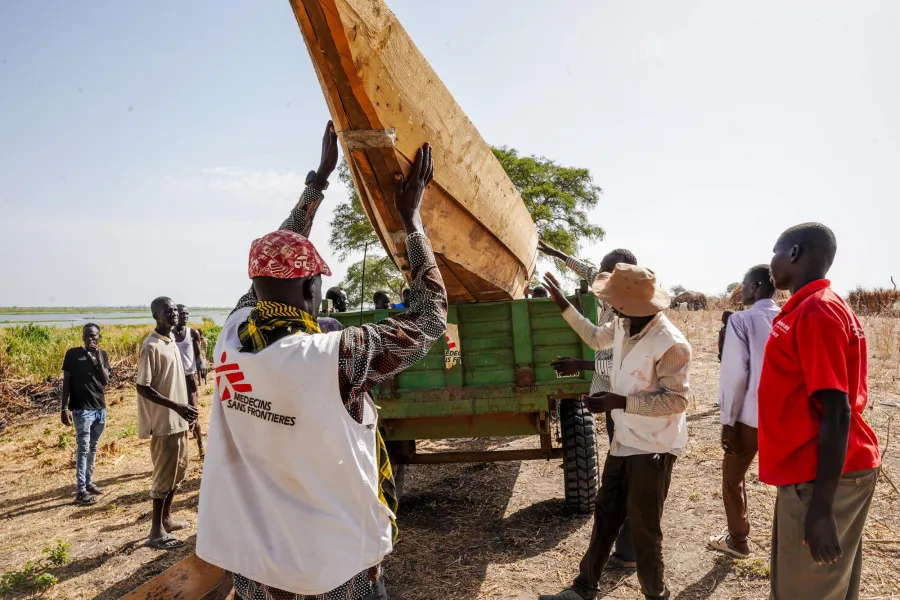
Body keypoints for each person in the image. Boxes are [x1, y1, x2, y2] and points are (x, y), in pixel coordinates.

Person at [196, 125, 447, 600]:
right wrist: (412, 221)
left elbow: (275, 259)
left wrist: (319, 181)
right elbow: (431, 318)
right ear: (313, 290)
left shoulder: (232, 335)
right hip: (332, 567)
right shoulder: (332, 358)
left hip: (255, 566)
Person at [539, 264, 690, 600]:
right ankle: (584, 588)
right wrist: (563, 303)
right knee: (606, 515)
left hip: (653, 448)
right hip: (625, 441)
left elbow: (677, 401)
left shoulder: (671, 344)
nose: (610, 305)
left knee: (644, 529)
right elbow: (595, 338)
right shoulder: (624, 323)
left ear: (629, 304)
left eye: (613, 300)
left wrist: (619, 400)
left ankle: (656, 594)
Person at [759, 223, 880, 600]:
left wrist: (823, 508)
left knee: (807, 590)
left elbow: (837, 411)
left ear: (794, 253)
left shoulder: (816, 312)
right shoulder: (807, 309)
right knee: (822, 585)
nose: (771, 263)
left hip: (824, 477)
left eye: (775, 252)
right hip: (811, 472)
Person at [541, 243, 640, 569]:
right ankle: (628, 550)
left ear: (621, 276)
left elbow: (618, 363)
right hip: (616, 401)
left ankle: (629, 553)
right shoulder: (617, 301)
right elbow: (599, 338)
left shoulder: (631, 314)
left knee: (626, 476)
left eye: (606, 272)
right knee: (625, 474)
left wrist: (580, 365)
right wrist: (558, 255)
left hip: (624, 401)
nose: (599, 277)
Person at [707, 265, 779, 559]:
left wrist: (727, 422)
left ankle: (739, 540)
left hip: (749, 418)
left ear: (757, 286)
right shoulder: (788, 316)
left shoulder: (742, 320)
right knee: (789, 483)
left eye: (746, 285)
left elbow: (735, 375)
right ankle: (788, 544)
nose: (742, 291)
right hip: (783, 417)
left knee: (733, 477)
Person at [135, 296, 199, 550]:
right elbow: (143, 387)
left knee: (178, 471)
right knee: (163, 476)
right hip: (164, 423)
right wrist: (176, 406)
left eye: (174, 309)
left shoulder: (171, 340)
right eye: (166, 310)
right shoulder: (151, 345)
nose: (172, 313)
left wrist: (186, 410)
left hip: (180, 421)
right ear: (156, 316)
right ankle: (155, 532)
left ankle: (167, 520)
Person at [61, 323, 111, 506]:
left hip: (100, 409)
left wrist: (97, 359)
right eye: (88, 335)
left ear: (99, 337)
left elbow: (105, 381)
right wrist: (64, 408)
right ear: (83, 337)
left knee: (93, 447)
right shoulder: (73, 354)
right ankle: (80, 490)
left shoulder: (102, 355)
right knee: (83, 449)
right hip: (81, 410)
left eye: (95, 336)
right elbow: (66, 381)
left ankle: (89, 483)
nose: (92, 338)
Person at [174, 304, 206, 427]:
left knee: (193, 408)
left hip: (189, 376)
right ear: (176, 315)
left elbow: (198, 354)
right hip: (175, 378)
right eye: (182, 314)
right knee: (178, 407)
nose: (185, 316)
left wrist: (202, 363)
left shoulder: (193, 333)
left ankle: (199, 441)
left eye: (187, 314)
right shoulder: (169, 335)